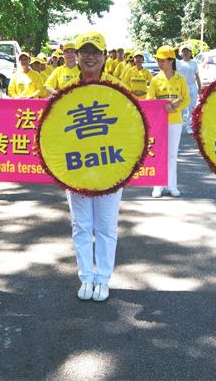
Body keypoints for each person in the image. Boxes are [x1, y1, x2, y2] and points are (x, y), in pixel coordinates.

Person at [64, 31, 127, 302]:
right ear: (76, 57)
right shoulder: (66, 89)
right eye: (85, 52)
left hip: (110, 167)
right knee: (81, 225)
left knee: (105, 226)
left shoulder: (116, 87)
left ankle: (103, 279)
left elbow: (133, 125)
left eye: (96, 52)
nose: (90, 57)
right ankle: (85, 277)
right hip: (76, 169)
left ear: (104, 57)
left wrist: (165, 109)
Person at [147, 45, 189, 198]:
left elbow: (186, 99)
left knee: (172, 154)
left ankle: (172, 186)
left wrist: (176, 108)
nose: (160, 63)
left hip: (175, 121)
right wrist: (162, 107)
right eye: (158, 60)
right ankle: (157, 186)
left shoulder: (180, 79)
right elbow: (150, 100)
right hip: (159, 122)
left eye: (163, 60)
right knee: (158, 153)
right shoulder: (155, 80)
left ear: (171, 60)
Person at [176, 44, 201, 134]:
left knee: (192, 107)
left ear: (190, 53)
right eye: (184, 51)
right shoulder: (178, 63)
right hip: (181, 88)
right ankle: (182, 124)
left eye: (187, 51)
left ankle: (189, 125)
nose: (185, 53)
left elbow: (197, 76)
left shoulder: (194, 63)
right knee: (182, 107)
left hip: (192, 87)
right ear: (181, 53)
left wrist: (199, 88)